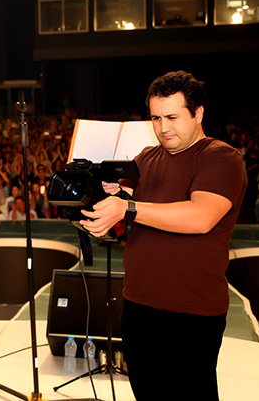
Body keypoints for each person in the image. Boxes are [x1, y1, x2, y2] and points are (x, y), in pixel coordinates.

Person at [80, 71, 247, 400]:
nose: (163, 127)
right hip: (138, 304)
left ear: (198, 113)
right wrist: (109, 197)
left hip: (192, 311)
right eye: (156, 118)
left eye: (172, 117)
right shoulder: (146, 158)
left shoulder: (220, 157)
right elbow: (128, 213)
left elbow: (201, 217)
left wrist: (128, 207)